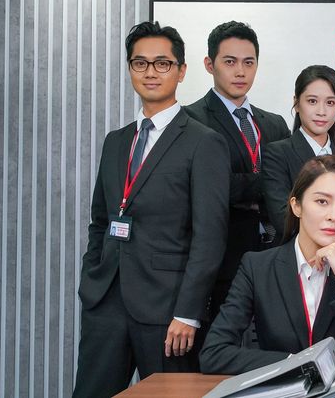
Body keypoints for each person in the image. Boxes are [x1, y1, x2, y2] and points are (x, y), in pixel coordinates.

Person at [74, 21, 230, 397]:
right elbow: (101, 220)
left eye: (162, 63)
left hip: (168, 309)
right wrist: (92, 276)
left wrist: (188, 312)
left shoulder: (203, 142)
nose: (150, 72)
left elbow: (209, 237)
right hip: (106, 301)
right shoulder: (116, 141)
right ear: (130, 69)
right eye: (140, 63)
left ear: (181, 71)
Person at [200, 155, 335, 374]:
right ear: (296, 206)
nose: (334, 216)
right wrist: (294, 363)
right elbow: (214, 353)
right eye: (322, 202)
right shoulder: (258, 267)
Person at [186, 21, 290, 321]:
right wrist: (267, 185)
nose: (240, 72)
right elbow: (208, 189)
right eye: (230, 62)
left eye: (249, 62)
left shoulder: (275, 124)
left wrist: (243, 186)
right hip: (221, 262)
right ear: (210, 65)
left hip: (274, 257)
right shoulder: (191, 121)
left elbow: (291, 186)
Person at [262, 65, 335, 248]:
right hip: (295, 262)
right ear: (296, 103)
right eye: (312, 101)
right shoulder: (277, 154)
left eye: (330, 103)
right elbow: (284, 222)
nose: (321, 111)